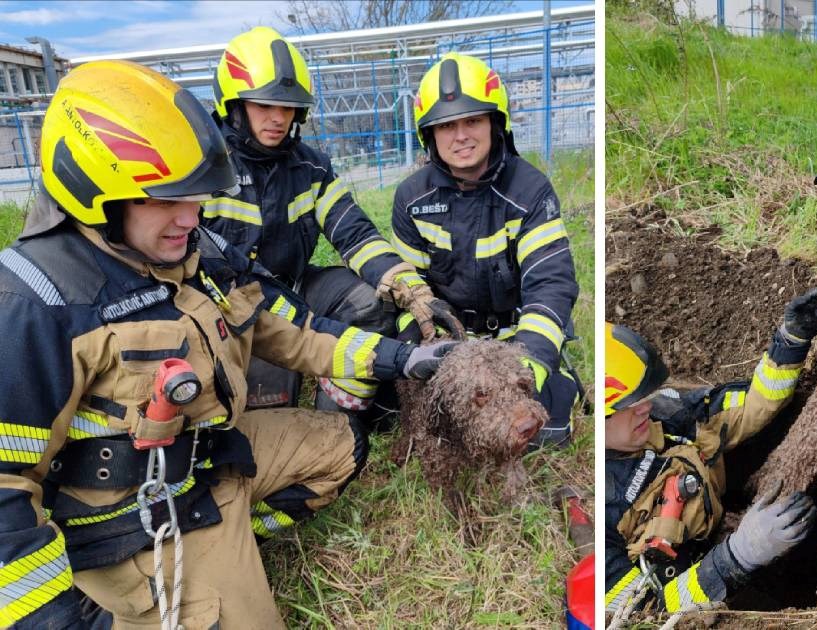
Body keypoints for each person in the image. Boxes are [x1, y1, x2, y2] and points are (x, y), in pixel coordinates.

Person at [0, 60, 451, 628]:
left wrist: (406, 358)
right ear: (95, 194)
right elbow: (5, 491)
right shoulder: (34, 303)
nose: (190, 217)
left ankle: (233, 541)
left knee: (343, 446)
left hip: (211, 463)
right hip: (132, 524)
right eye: (165, 200)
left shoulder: (200, 251)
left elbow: (294, 329)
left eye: (196, 197)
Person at [203, 26, 461, 420]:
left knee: (368, 303)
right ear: (234, 105)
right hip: (223, 309)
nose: (278, 118)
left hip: (293, 288)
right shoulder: (203, 169)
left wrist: (414, 292)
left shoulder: (310, 167)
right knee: (256, 408)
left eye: (287, 107)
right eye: (264, 105)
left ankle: (341, 419)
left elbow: (355, 233)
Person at [604, 285, 817, 616]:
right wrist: (738, 556)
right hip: (700, 592)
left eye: (645, 396)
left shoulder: (665, 414)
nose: (645, 408)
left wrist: (790, 342)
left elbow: (751, 405)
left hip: (719, 532)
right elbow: (647, 612)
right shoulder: (602, 519)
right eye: (630, 405)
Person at [391, 52, 581, 449]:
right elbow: (409, 293)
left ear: (496, 124)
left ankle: (558, 384)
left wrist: (526, 370)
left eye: (473, 120)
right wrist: (429, 356)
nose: (461, 135)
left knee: (547, 432)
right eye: (446, 125)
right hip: (452, 347)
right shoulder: (411, 199)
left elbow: (551, 285)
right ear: (430, 135)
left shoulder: (530, 192)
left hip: (514, 344)